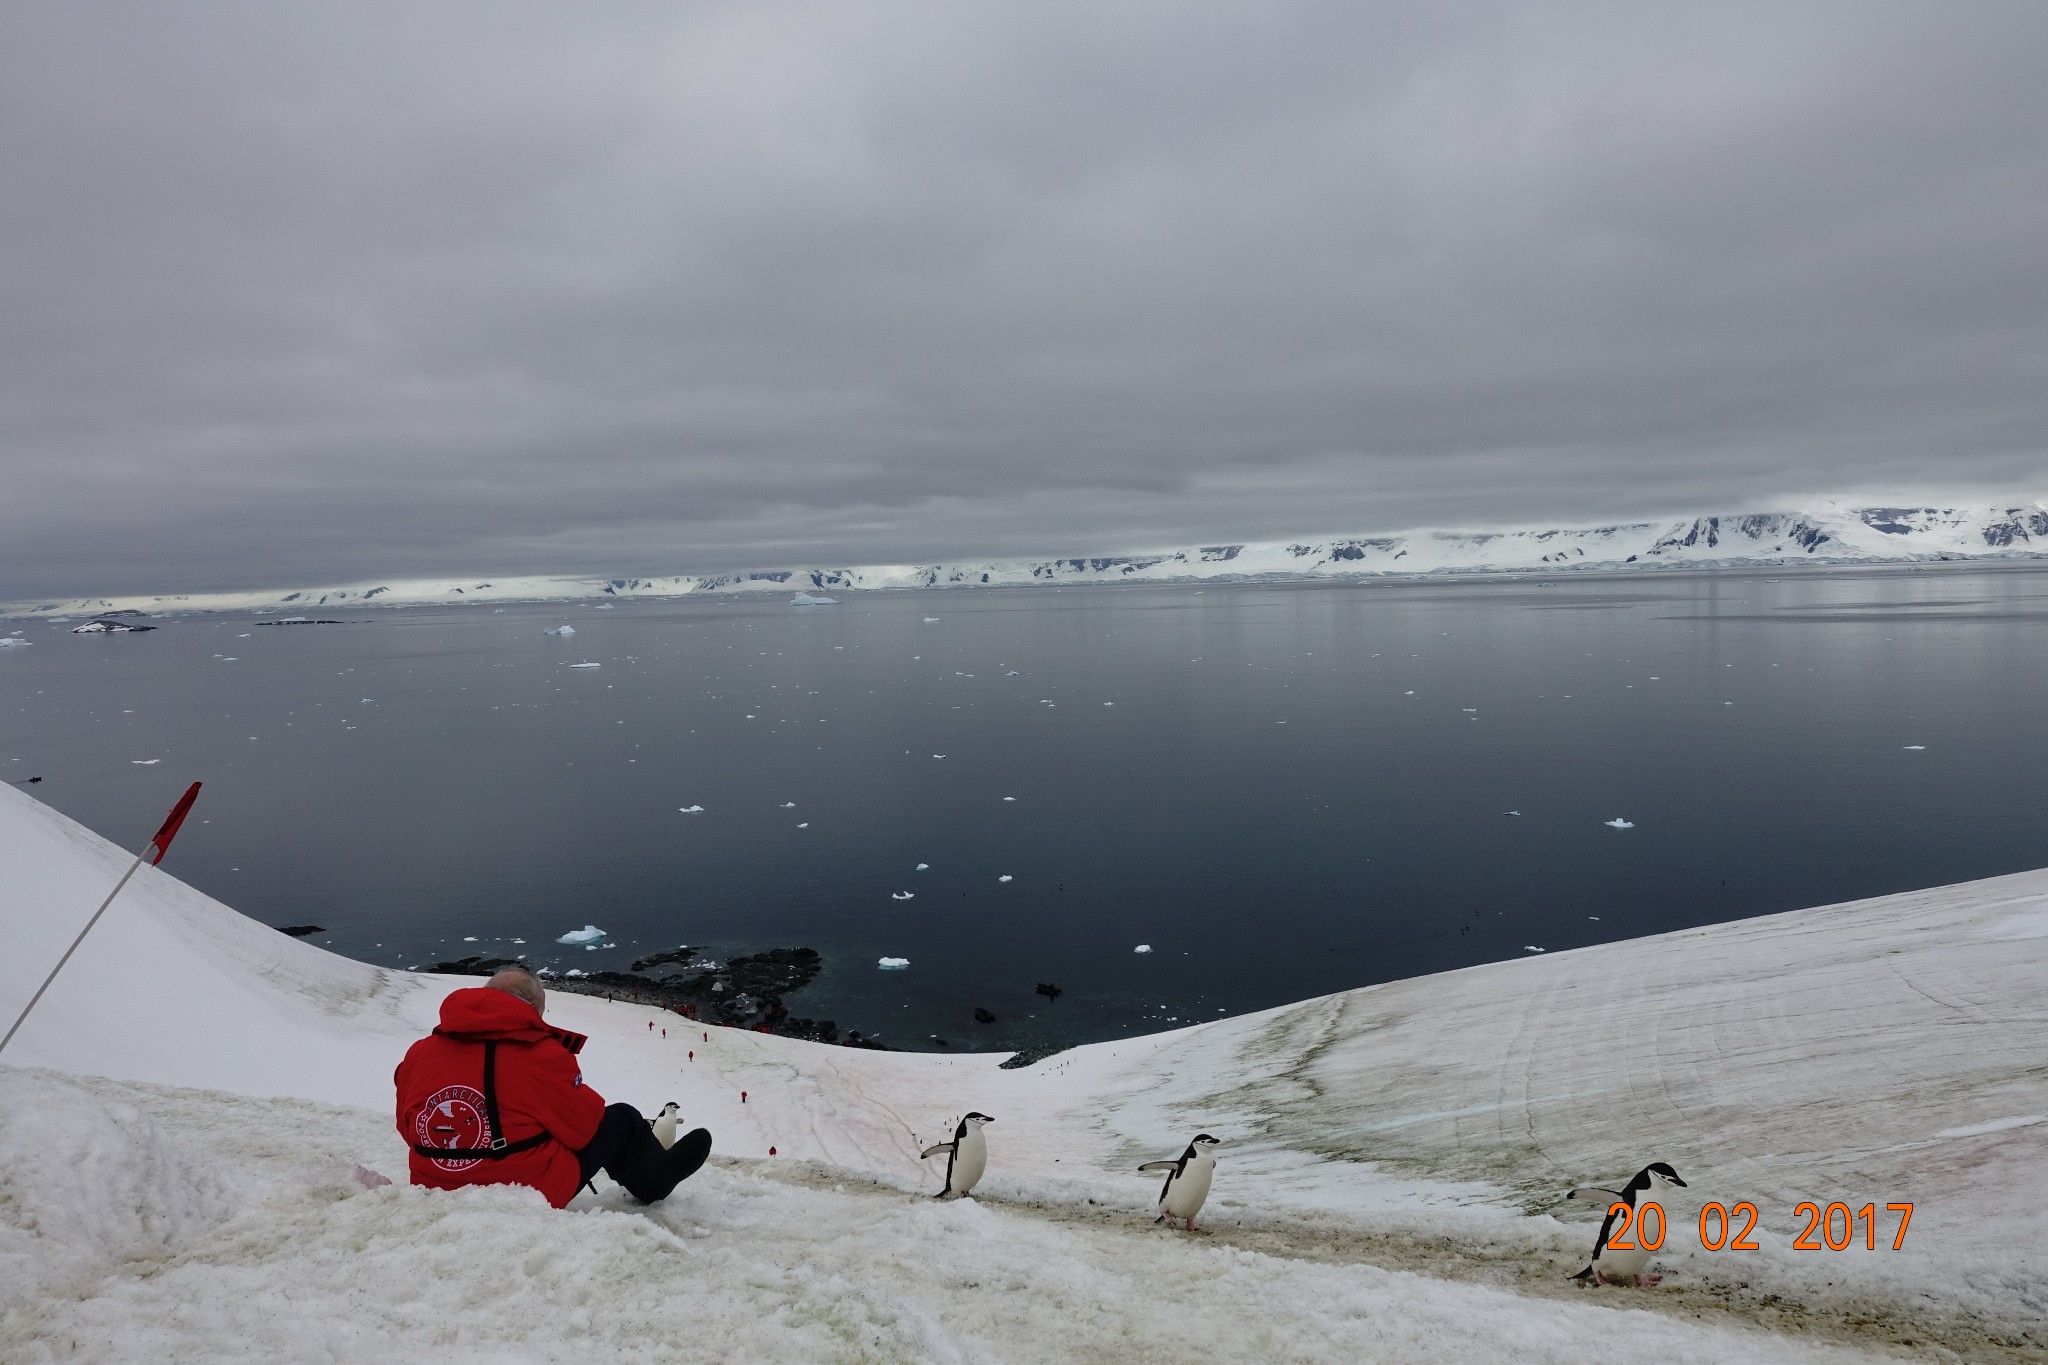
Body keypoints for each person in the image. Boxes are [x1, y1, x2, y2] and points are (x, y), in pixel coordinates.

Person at [395, 966, 711, 1207]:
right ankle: (658, 1180)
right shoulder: (540, 1054)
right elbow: (583, 1128)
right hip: (522, 1190)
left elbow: (406, 1126)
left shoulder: (420, 1052)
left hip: (432, 1185)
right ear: (531, 1008)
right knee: (623, 1119)